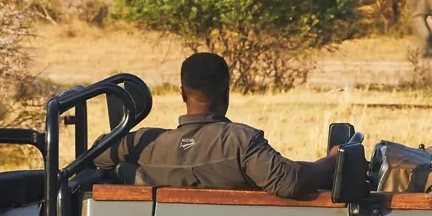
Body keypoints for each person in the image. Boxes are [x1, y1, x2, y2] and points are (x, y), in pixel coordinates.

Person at [105, 52, 338, 196]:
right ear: (225, 93)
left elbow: (95, 155)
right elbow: (289, 181)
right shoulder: (240, 142)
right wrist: (332, 162)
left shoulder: (144, 143)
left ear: (182, 94)